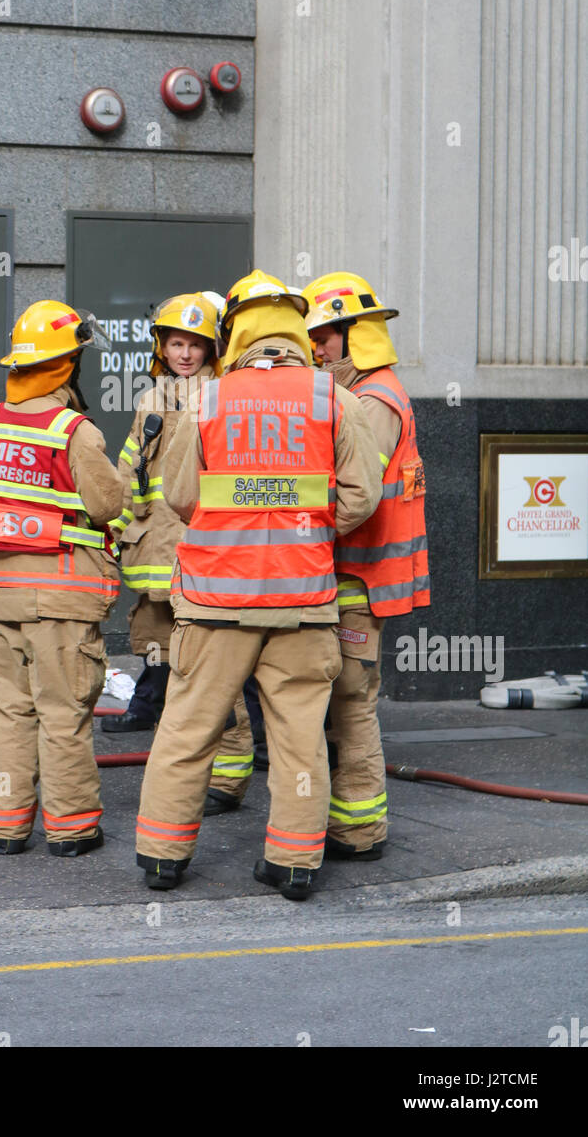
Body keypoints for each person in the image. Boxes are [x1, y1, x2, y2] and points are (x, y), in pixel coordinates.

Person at [134, 270, 382, 899]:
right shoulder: (334, 399)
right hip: (303, 603)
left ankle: (163, 856)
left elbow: (183, 497)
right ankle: (295, 864)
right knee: (301, 737)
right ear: (297, 328)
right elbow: (362, 497)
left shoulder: (208, 399)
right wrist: (308, 523)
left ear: (235, 331)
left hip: (217, 601)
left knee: (188, 728)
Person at [0, 300, 124, 857]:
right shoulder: (75, 431)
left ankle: (4, 825)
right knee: (64, 715)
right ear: (69, 366)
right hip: (65, 602)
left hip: (0, 596)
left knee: (7, 715)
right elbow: (108, 505)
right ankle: (72, 829)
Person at [102, 292, 253, 815]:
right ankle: (185, 767)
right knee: (167, 664)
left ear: (213, 347)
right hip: (156, 564)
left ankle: (230, 775)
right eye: (175, 343)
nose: (184, 353)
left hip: (202, 558)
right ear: (161, 347)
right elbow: (128, 473)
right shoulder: (152, 399)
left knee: (213, 673)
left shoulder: (225, 396)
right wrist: (109, 530)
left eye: (195, 344)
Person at [301, 272, 430, 860]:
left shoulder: (374, 401)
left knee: (351, 701)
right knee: (343, 700)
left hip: (359, 576)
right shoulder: (365, 392)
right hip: (357, 575)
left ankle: (357, 832)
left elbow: (356, 493)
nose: (318, 348)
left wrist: (293, 532)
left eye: (327, 335)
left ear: (358, 335)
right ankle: (346, 822)